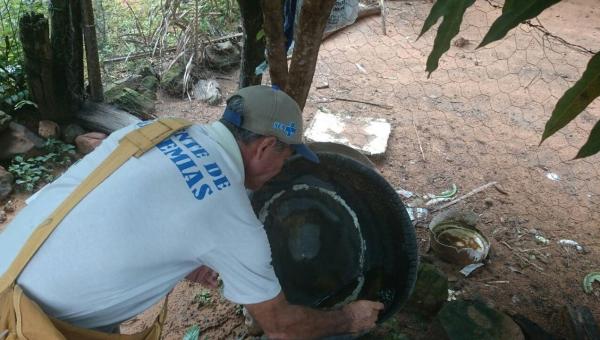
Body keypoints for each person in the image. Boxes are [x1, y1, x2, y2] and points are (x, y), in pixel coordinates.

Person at [0, 85, 383, 338]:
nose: (283, 169)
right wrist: (349, 318)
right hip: (28, 324)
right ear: (266, 147)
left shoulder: (154, 130)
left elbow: (119, 209)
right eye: (287, 157)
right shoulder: (231, 218)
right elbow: (280, 326)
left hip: (9, 265)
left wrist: (186, 257)